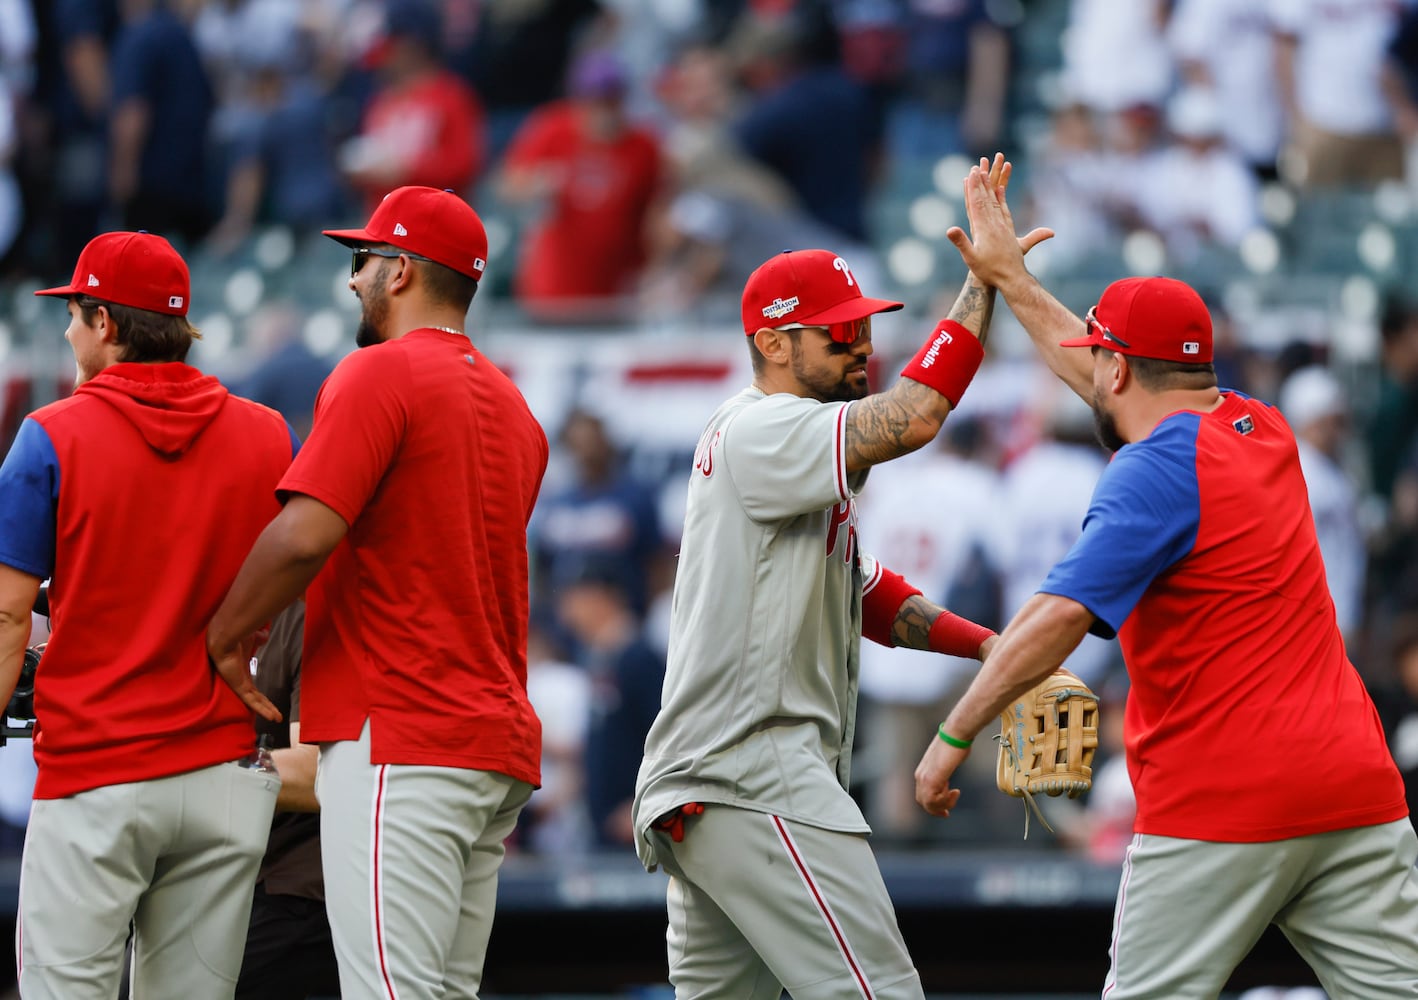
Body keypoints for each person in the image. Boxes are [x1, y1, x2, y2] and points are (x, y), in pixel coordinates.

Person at [916, 164, 1418, 998]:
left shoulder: (1150, 471)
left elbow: (1058, 616)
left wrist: (955, 735)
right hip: (1352, 789)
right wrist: (1011, 281)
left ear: (1116, 367)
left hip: (1220, 801)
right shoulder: (1264, 427)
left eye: (1098, 353)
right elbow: (1115, 380)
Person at [631, 156, 1047, 999]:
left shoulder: (785, 449)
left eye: (864, 326)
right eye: (839, 333)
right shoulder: (763, 427)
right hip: (755, 771)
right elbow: (917, 415)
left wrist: (990, 647)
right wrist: (985, 283)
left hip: (710, 787)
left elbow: (867, 595)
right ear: (773, 344)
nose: (862, 346)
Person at [205, 184, 550, 1000]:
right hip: (491, 747)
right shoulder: (517, 408)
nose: (352, 278)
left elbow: (302, 535)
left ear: (400, 272)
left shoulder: (377, 372)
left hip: (401, 730)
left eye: (363, 260)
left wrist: (225, 638)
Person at [0, 230, 295, 997]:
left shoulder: (50, 434)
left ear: (105, 322)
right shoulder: (267, 435)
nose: (67, 330)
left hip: (96, 774)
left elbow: (5, 618)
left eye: (74, 312)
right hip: (224, 774)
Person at [236, 598, 340, 1000]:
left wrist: (205, 767)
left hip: (295, 880)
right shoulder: (182, 600)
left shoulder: (305, 610)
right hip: (210, 862)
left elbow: (318, 771)